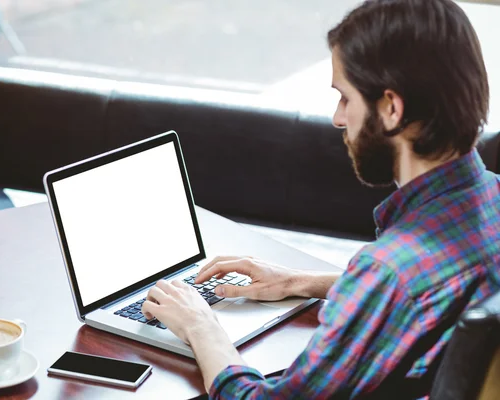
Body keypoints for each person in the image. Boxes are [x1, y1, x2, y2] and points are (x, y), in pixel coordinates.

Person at [142, 0, 500, 398]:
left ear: (391, 108)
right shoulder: (491, 199)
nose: (338, 118)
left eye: (345, 98)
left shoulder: (390, 273)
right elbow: (427, 293)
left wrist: (201, 326)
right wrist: (300, 281)